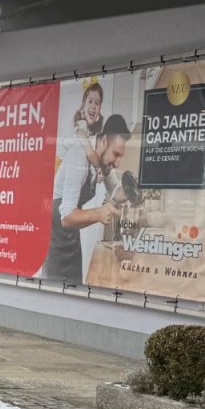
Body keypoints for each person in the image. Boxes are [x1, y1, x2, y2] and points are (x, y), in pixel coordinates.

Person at [42, 113, 131, 285]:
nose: (118, 163)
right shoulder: (79, 158)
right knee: (54, 294)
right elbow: (67, 217)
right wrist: (99, 214)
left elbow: (115, 191)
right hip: (54, 239)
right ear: (104, 140)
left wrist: (131, 190)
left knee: (74, 290)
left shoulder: (101, 162)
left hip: (71, 239)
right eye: (116, 154)